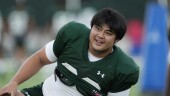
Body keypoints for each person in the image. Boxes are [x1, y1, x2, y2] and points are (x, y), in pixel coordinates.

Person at [0, 8, 139, 96]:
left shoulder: (123, 68)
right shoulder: (73, 35)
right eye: (97, 28)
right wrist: (14, 82)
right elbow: (40, 59)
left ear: (117, 39)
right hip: (45, 92)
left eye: (108, 33)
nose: (100, 35)